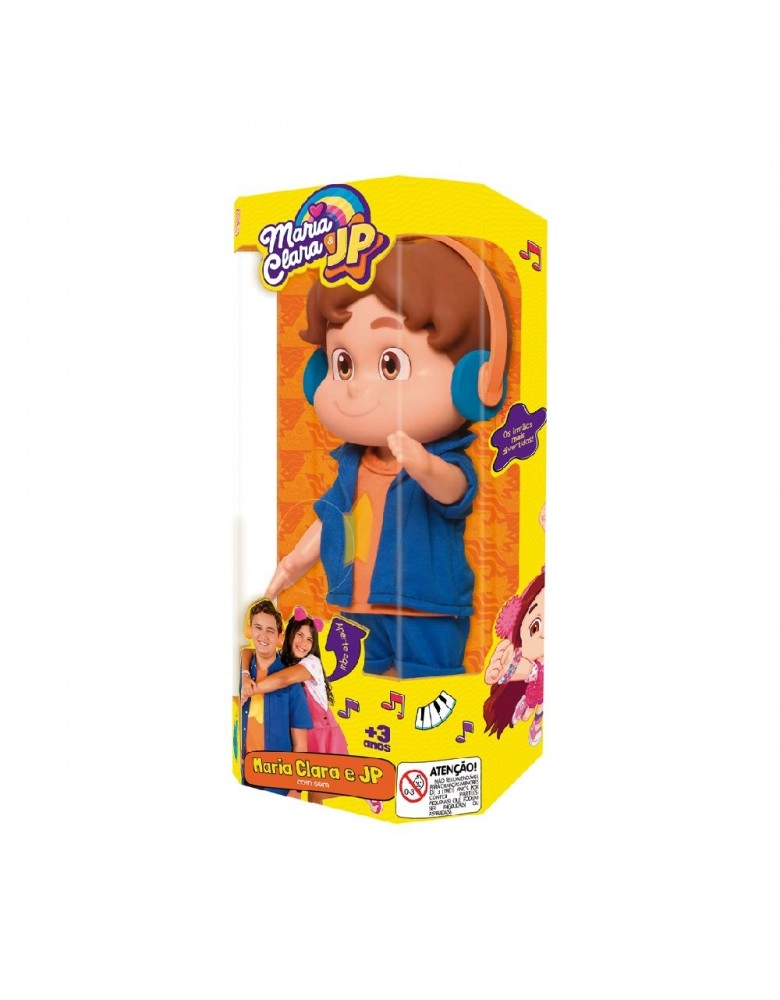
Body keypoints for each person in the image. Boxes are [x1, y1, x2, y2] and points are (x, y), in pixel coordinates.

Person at [265, 238, 510, 679]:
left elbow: (455, 491)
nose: (355, 387)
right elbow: (333, 519)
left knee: (429, 687)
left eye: (390, 365)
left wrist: (424, 466)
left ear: (478, 379)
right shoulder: (351, 465)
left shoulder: (443, 458)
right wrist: (292, 564)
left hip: (426, 607)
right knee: (366, 686)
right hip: (357, 606)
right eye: (342, 364)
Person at [250, 607, 383, 813]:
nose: (303, 643)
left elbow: (283, 679)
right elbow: (249, 653)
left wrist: (252, 689)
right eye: (300, 635)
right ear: (290, 634)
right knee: (313, 793)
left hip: (322, 733)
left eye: (309, 640)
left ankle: (363, 788)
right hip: (301, 734)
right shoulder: (284, 660)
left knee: (323, 784)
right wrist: (245, 672)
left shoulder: (311, 663)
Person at [240, 599, 312, 796]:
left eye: (270, 630)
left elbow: (300, 745)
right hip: (242, 777)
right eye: (258, 628)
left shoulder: (292, 682)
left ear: (280, 637)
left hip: (278, 783)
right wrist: (245, 674)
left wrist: (296, 788)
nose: (263, 635)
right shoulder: (240, 672)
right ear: (250, 630)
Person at [482, 569, 545, 745]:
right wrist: (501, 674)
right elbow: (520, 668)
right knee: (530, 704)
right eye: (535, 627)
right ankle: (528, 711)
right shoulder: (526, 661)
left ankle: (536, 723)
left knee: (539, 707)